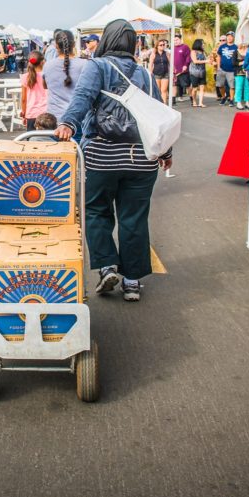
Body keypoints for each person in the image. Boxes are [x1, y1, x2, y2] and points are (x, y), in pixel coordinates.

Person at [55, 19, 172, 303]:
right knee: (134, 218)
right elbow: (157, 113)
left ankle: (107, 265)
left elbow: (83, 96)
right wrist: (166, 151)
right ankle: (132, 282)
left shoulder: (97, 66)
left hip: (102, 156)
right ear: (132, 44)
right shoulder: (144, 73)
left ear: (106, 40)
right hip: (141, 158)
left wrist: (68, 123)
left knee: (96, 210)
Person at [44, 29, 87, 121]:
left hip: (55, 118)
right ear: (74, 44)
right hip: (79, 117)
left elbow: (45, 85)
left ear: (56, 46)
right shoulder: (85, 64)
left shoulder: (47, 65)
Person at [20, 54, 48, 131]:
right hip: (46, 112)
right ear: (43, 62)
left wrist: (24, 113)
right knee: (48, 140)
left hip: (31, 113)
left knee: (31, 140)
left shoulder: (25, 77)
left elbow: (23, 99)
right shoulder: (47, 76)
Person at [216, 32, 238, 105]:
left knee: (232, 86)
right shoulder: (222, 46)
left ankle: (231, 100)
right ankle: (223, 97)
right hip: (221, 68)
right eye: (228, 36)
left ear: (233, 38)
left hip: (231, 70)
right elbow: (218, 56)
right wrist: (218, 67)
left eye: (231, 36)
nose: (229, 38)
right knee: (220, 85)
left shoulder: (236, 47)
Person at [148, 39, 171, 104]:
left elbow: (170, 64)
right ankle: (159, 104)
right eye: (161, 45)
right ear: (157, 46)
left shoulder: (167, 54)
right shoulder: (153, 54)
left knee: (164, 90)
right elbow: (150, 64)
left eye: (163, 45)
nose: (162, 46)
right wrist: (150, 73)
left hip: (165, 74)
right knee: (158, 90)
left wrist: (172, 72)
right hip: (156, 74)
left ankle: (164, 105)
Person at [188, 38, 209, 108]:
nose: (203, 45)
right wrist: (206, 61)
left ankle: (200, 103)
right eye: (202, 43)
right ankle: (194, 101)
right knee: (195, 88)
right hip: (194, 72)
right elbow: (195, 61)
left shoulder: (203, 52)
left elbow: (207, 59)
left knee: (202, 87)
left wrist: (211, 60)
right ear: (198, 44)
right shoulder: (193, 52)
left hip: (202, 72)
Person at [172, 34, 192, 105]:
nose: (175, 41)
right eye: (174, 40)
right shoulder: (172, 48)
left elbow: (188, 57)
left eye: (176, 40)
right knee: (174, 85)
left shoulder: (185, 47)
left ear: (180, 39)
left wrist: (186, 65)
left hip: (183, 71)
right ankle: (173, 101)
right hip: (174, 71)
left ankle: (192, 99)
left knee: (187, 86)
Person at [233, 44, 249, 110]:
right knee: (239, 87)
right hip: (238, 72)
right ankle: (238, 102)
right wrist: (243, 62)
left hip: (248, 72)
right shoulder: (236, 51)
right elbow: (234, 63)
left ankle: (247, 102)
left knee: (247, 87)